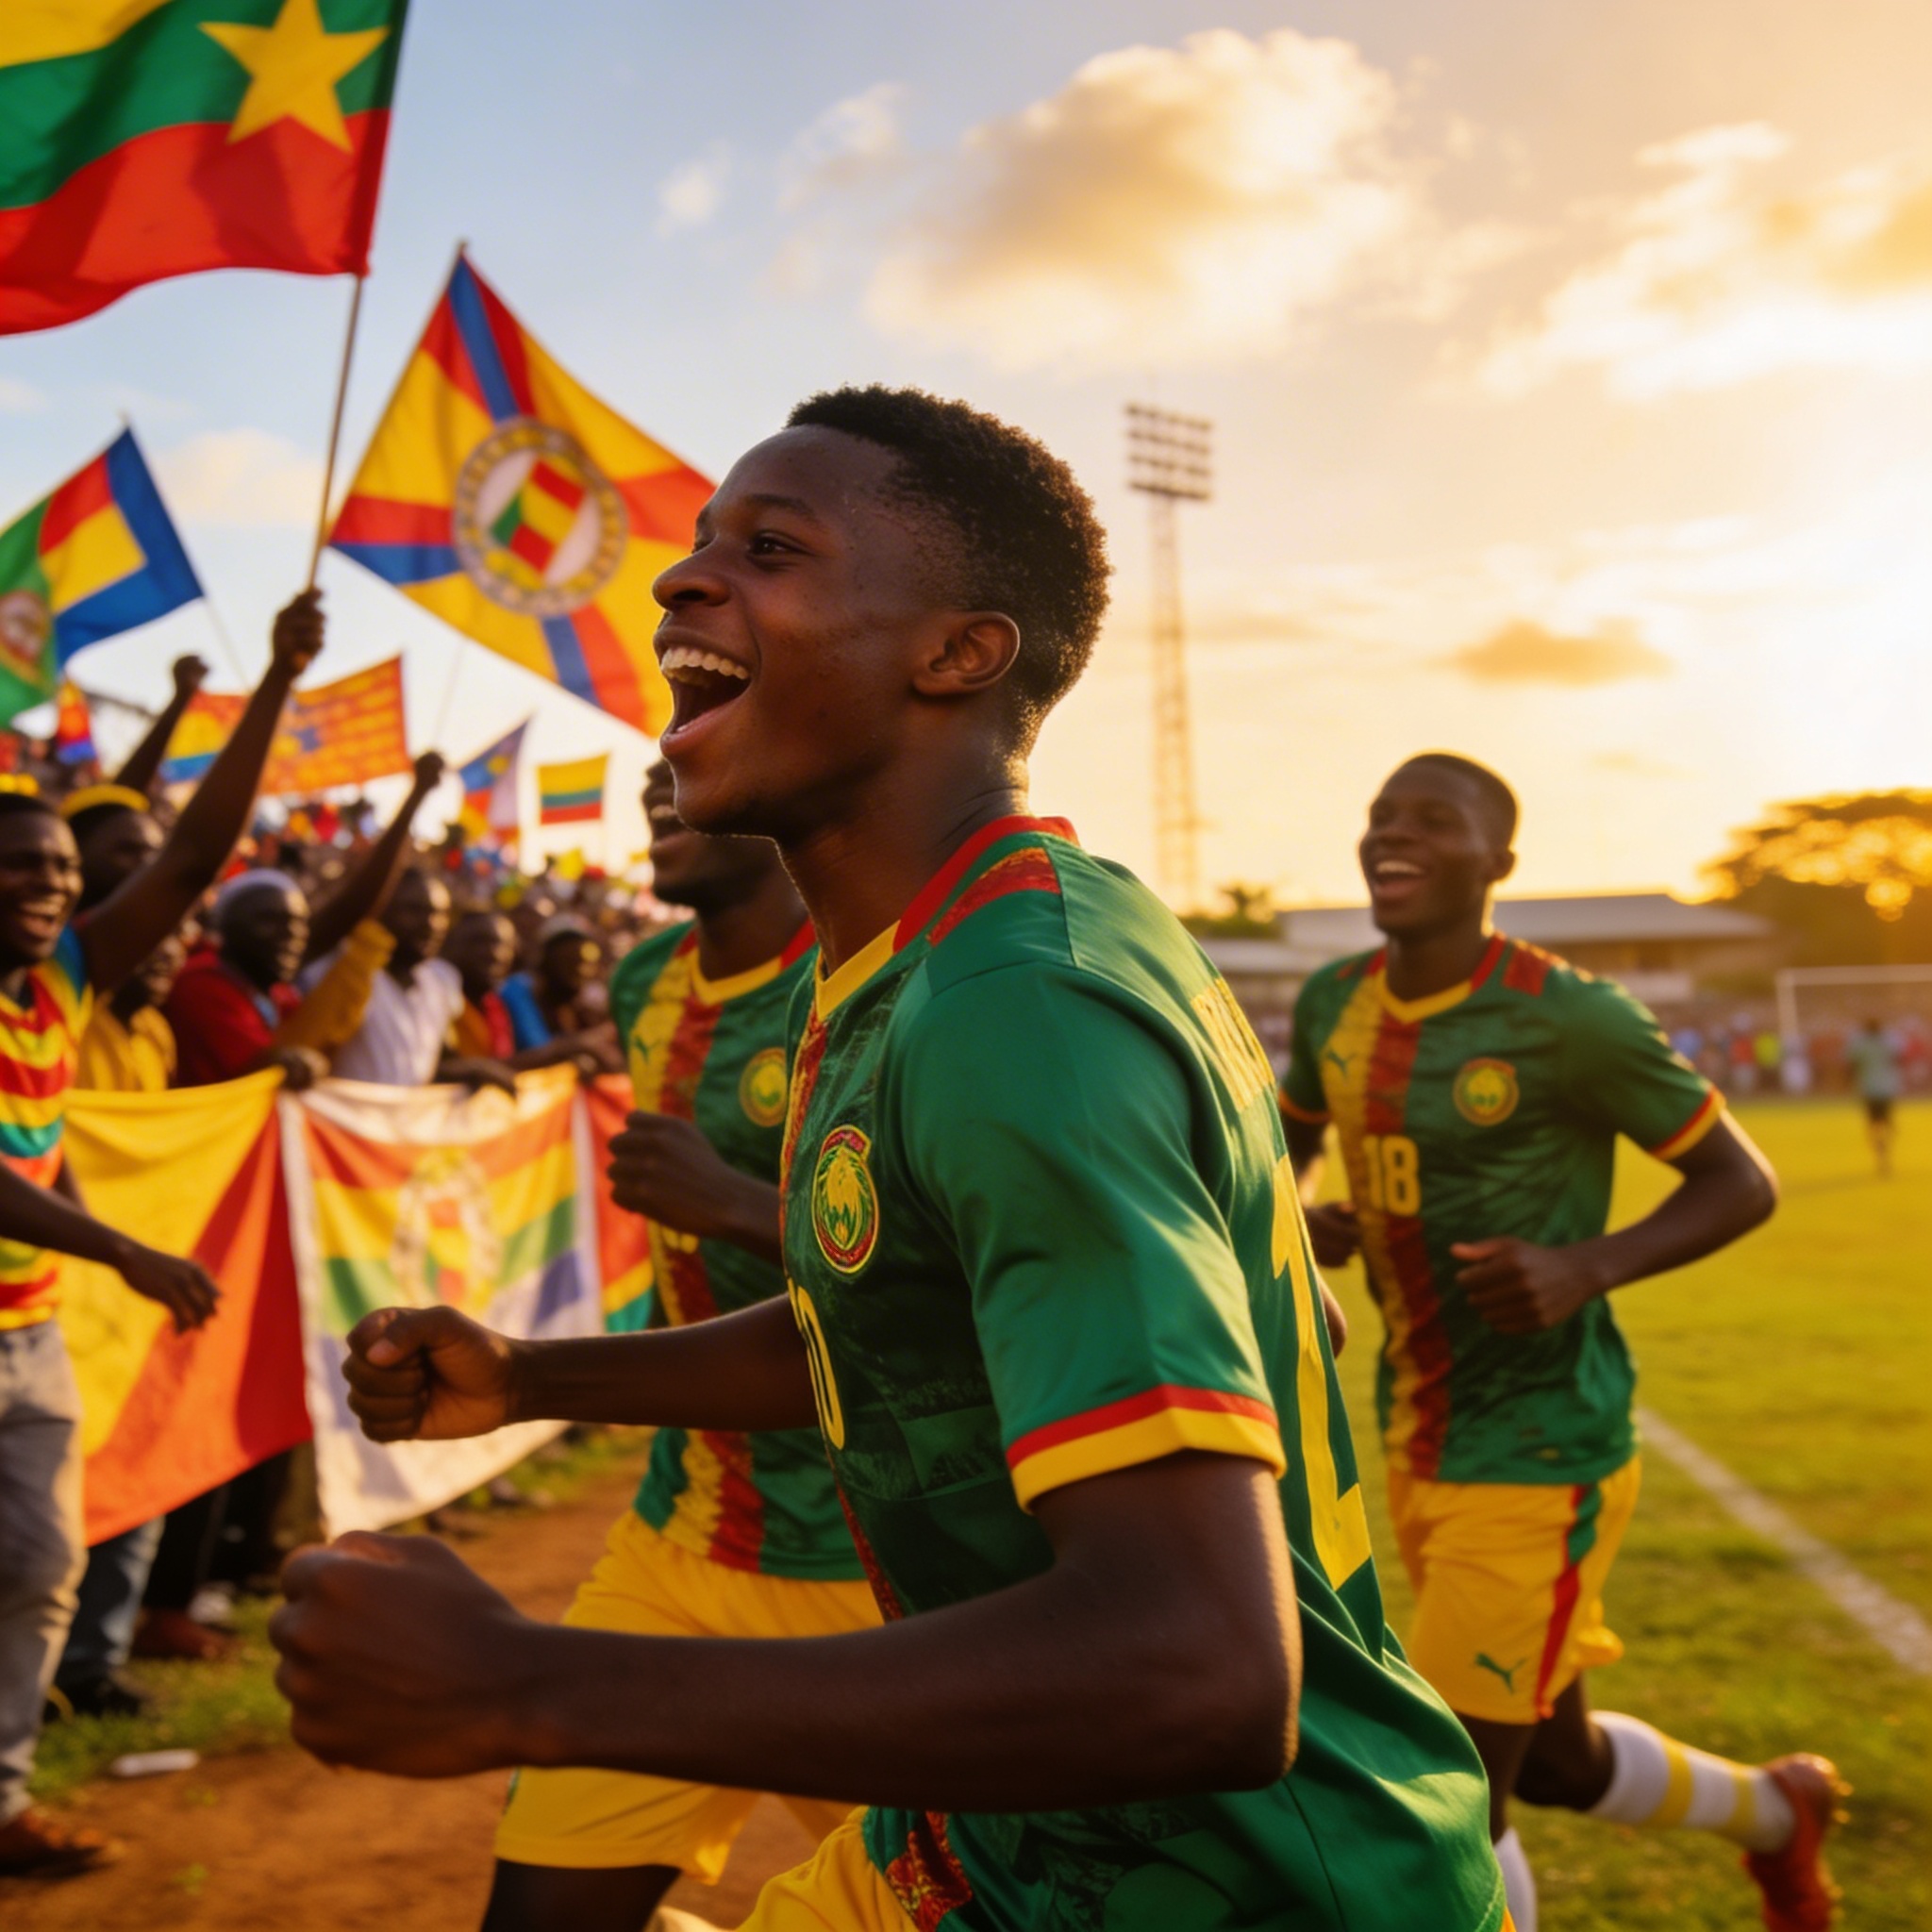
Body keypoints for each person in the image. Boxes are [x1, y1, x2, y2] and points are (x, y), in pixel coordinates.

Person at [272, 388, 1507, 1932]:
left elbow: (1199, 1663)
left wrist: (526, 1680)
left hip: (1227, 1880)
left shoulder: (1014, 998)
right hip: (1005, 1841)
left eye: (770, 546)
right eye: (702, 540)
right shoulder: (924, 958)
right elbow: (897, 1320)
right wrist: (532, 1376)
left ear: (956, 653)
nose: (676, 579)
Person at [1280, 752, 1839, 1932]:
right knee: (1564, 1760)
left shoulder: (1566, 1016)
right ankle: (1780, 1815)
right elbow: (1288, 1149)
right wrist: (1305, 1215)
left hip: (1542, 1451)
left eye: (1433, 820)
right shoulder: (1335, 1003)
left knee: (1448, 1795)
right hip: (1418, 1435)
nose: (1394, 834)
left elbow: (1738, 1179)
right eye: (1380, 814)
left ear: (1499, 863)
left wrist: (1586, 1263)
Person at [479, 760, 874, 1931]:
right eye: (656, 763)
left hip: (874, 1578)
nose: (664, 777)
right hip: (682, 1539)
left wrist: (738, 1202)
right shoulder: (650, 977)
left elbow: (947, 1273)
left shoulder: (860, 982)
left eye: (693, 760)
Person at [0, 591, 325, 1878]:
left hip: (27, 1341)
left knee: (36, 1570)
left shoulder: (62, 983)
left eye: (66, 877)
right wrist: (124, 1252)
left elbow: (188, 861)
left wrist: (279, 682)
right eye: (22, 867)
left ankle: (6, 1802)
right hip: (49, 1305)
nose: (51, 889)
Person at [166, 752, 448, 1090]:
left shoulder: (276, 995)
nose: (290, 936)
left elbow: (350, 911)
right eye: (269, 920)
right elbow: (251, 1077)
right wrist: (278, 1062)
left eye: (300, 924)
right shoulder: (201, 987)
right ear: (225, 927)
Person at [306, 866, 512, 1091]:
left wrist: (473, 1070)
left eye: (441, 914)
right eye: (414, 910)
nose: (431, 924)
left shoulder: (442, 979)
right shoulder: (343, 970)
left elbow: (436, 1063)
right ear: (382, 910)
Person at [445, 907, 613, 1074]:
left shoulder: (492, 1004)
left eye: (587, 961)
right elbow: (530, 1052)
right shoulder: (515, 991)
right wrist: (580, 1045)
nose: (496, 955)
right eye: (568, 957)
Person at [500, 914, 620, 1066]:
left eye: (585, 961)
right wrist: (585, 1042)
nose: (580, 969)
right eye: (568, 956)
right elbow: (537, 1049)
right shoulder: (519, 989)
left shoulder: (575, 998)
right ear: (546, 956)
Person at [1844, 1018, 1902, 1176]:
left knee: (1873, 1124)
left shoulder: (1859, 1044)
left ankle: (1880, 1151)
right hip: (1887, 1087)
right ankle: (1886, 1144)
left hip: (1868, 1088)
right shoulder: (1889, 1041)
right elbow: (1898, 1059)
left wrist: (1847, 1083)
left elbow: (1851, 1065)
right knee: (1886, 1122)